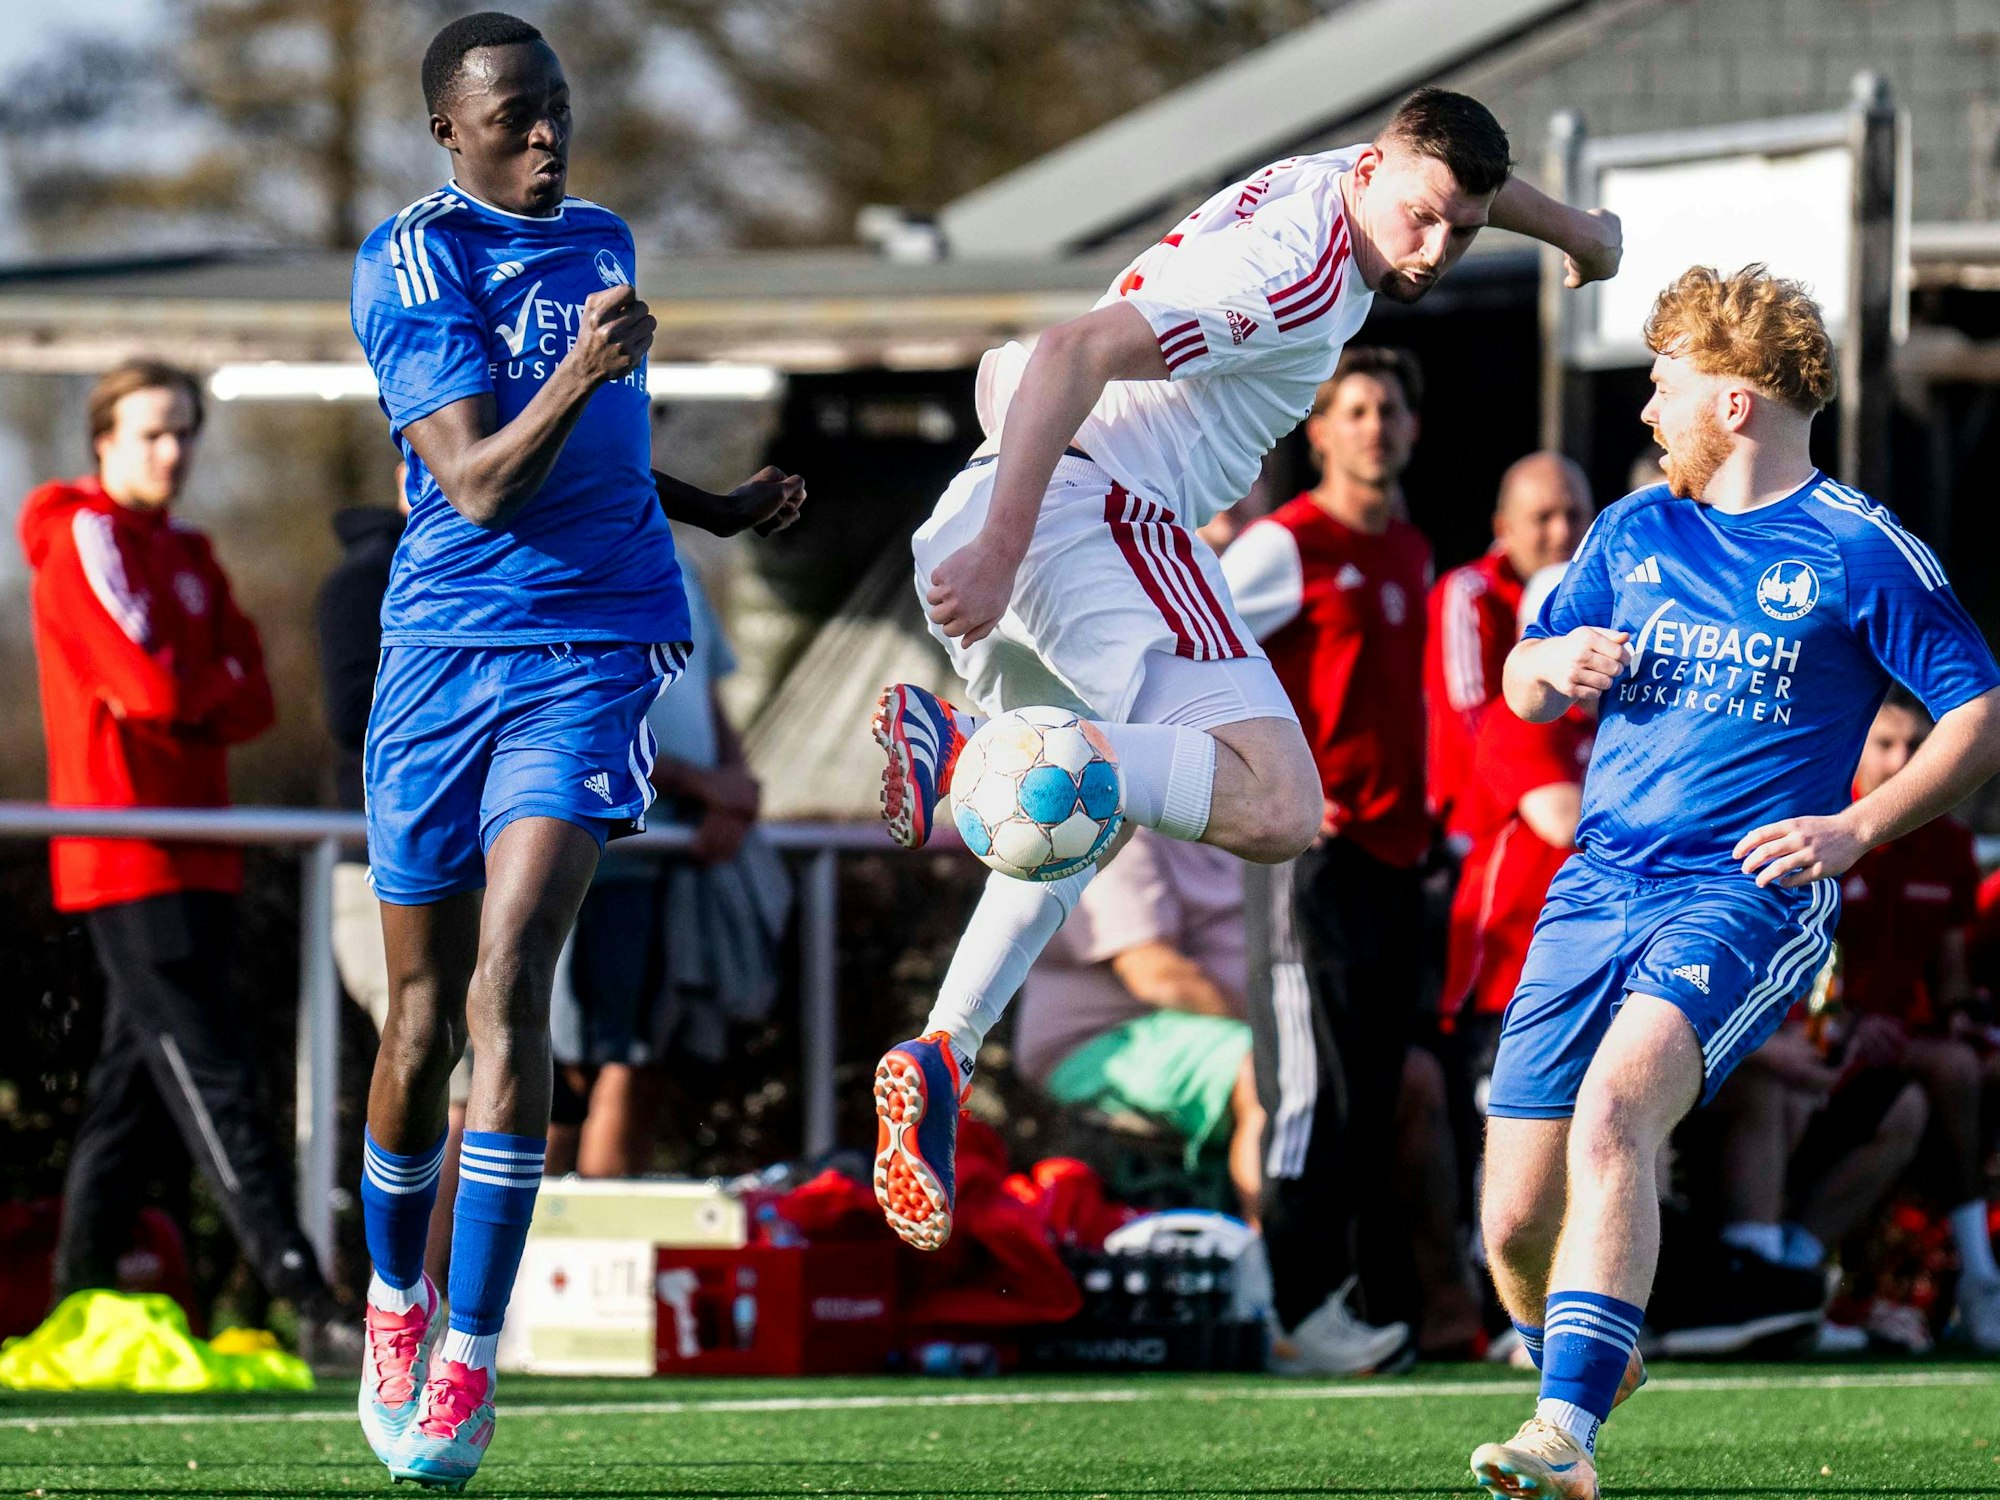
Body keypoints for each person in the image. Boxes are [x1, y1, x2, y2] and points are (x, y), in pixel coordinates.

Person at [863, 86, 1621, 1258]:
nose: (1430, 252)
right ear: (1369, 173)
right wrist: (1004, 547)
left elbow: (1460, 176)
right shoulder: (1303, 276)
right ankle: (968, 749)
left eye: (1457, 232)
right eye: (1420, 219)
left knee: (1078, 809)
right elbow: (1071, 351)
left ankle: (941, 1051)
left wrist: (1571, 229)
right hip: (1082, 514)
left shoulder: (1352, 179)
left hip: (1024, 500)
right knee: (1276, 803)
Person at [347, 13, 803, 1487]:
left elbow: (595, 445)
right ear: (449, 133)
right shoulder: (412, 263)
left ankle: (473, 1358)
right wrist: (587, 369)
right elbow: (477, 482)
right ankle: (395, 1303)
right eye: (515, 120)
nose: (548, 140)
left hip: (595, 649)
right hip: (443, 658)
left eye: (558, 111)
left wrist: (709, 510)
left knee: (511, 974)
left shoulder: (600, 233)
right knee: (418, 1022)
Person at [1471, 265, 2000, 1499]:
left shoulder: (1858, 548)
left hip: (1739, 893)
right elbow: (1514, 679)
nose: (1645, 413)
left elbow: (1977, 711)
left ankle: (1563, 1438)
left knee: (1615, 1114)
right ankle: (1596, 1349)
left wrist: (1856, 828)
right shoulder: (1631, 529)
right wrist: (1551, 660)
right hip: (1593, 886)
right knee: (1508, 1230)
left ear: (1731, 404)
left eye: (1661, 388)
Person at [21, 359, 358, 1365]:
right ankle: (309, 1297)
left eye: (185, 433)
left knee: (131, 1090)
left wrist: (193, 684)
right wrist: (199, 684)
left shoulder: (191, 551)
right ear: (104, 441)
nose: (174, 452)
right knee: (216, 1079)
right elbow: (154, 690)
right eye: (153, 433)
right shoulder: (82, 535)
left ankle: (72, 1294)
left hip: (200, 849)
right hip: (128, 857)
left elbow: (251, 697)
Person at [1217, 345, 1431, 1364]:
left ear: (1411, 429)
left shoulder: (1410, 551)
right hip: (1307, 857)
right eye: (1352, 409)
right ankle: (1294, 1311)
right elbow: (1195, 654)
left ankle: (1331, 1298)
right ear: (1317, 431)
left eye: (1387, 409)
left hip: (1393, 864)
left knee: (1366, 1096)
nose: (1372, 425)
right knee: (1301, 1091)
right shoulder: (1280, 545)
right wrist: (1272, 783)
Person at [545, 564, 763, 1178]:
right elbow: (580, 719)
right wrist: (707, 786)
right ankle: (544, 1259)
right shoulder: (569, 550)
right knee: (582, 1068)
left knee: (641, 1064)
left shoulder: (683, 564)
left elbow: (709, 696)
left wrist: (734, 791)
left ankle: (595, 1255)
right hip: (603, 852)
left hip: (676, 852)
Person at [316, 465, 466, 1290]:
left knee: (480, 1082)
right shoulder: (360, 580)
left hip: (477, 859)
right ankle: (405, 1300)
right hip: (388, 862)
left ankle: (448, 1308)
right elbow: (348, 713)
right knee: (428, 1070)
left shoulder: (510, 555)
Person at [1825, 688, 1999, 1347]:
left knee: (1971, 1068)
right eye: (1886, 743)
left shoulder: (1948, 844)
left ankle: (1944, 1275)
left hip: (1912, 1038)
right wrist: (1841, 1021)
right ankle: (1980, 1277)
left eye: (1918, 746)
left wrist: (1964, 1017)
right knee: (1953, 1073)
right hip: (1826, 1039)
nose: (1903, 759)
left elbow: (1952, 977)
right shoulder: (1819, 824)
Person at [1012, 827, 1265, 1222]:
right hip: (1102, 1038)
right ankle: (1275, 1268)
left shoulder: (1257, 817)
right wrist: (1283, 1036)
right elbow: (1153, 973)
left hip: (1229, 1027)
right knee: (1269, 1075)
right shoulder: (1112, 823)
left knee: (1390, 1070)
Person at [1441, 564, 1592, 1085]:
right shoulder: (1514, 719)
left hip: (1582, 973)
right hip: (1510, 981)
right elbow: (1565, 822)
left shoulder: (1605, 726)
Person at [1426, 454, 1592, 846]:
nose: (1562, 532)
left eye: (1574, 515)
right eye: (1543, 518)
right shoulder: (1470, 593)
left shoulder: (1600, 593)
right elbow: (1472, 722)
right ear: (1504, 528)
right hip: (1484, 826)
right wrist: (1544, 778)